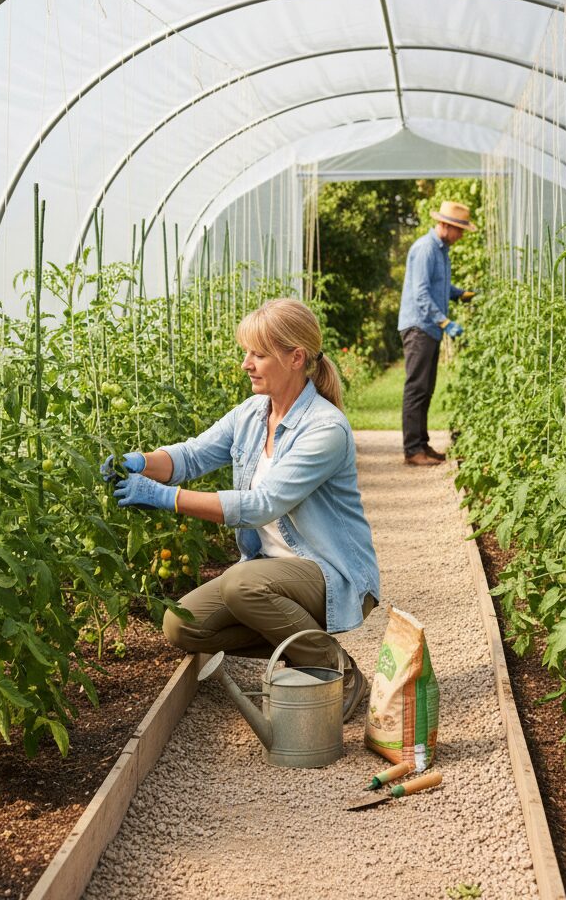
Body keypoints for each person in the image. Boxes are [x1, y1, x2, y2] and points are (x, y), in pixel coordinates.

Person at [100, 298, 380, 722]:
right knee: (183, 625)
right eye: (246, 352)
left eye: (258, 354)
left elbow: (262, 504)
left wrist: (166, 498)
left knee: (241, 584)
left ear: (295, 358)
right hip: (271, 573)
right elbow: (190, 456)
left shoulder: (325, 429)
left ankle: (335, 668)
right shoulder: (252, 414)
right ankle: (300, 648)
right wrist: (141, 460)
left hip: (329, 571)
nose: (246, 364)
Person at [397, 200, 476, 467]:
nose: (461, 236)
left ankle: (422, 443)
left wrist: (458, 293)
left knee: (426, 388)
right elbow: (420, 293)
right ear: (446, 225)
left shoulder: (441, 251)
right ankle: (412, 450)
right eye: (459, 230)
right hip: (419, 326)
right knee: (416, 388)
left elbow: (437, 285)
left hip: (429, 327)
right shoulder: (425, 249)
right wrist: (445, 322)